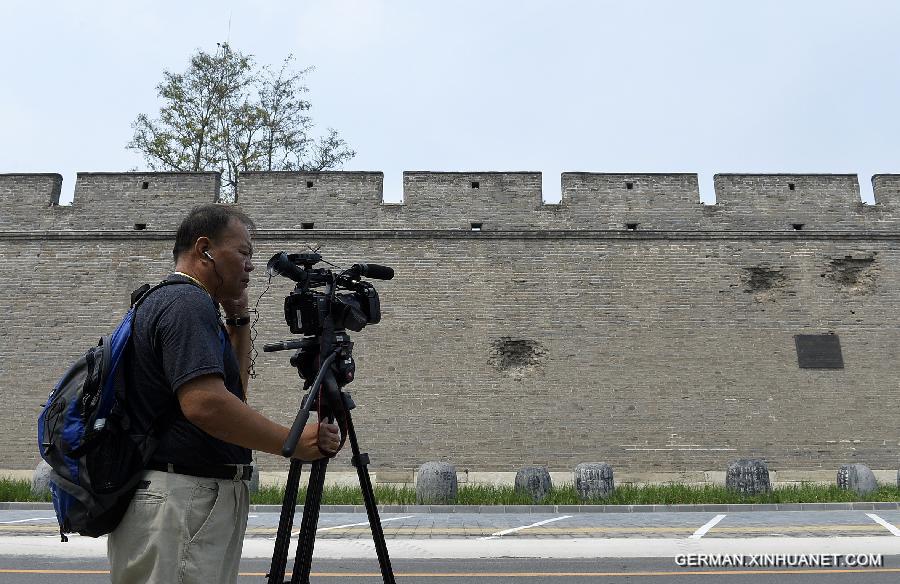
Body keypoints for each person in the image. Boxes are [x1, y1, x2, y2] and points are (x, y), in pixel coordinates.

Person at [107, 204, 341, 583]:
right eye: (244, 253)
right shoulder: (185, 303)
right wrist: (292, 441)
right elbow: (205, 405)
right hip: (183, 499)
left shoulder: (183, 303)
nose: (250, 265)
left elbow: (231, 396)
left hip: (190, 498)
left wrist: (238, 321)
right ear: (205, 250)